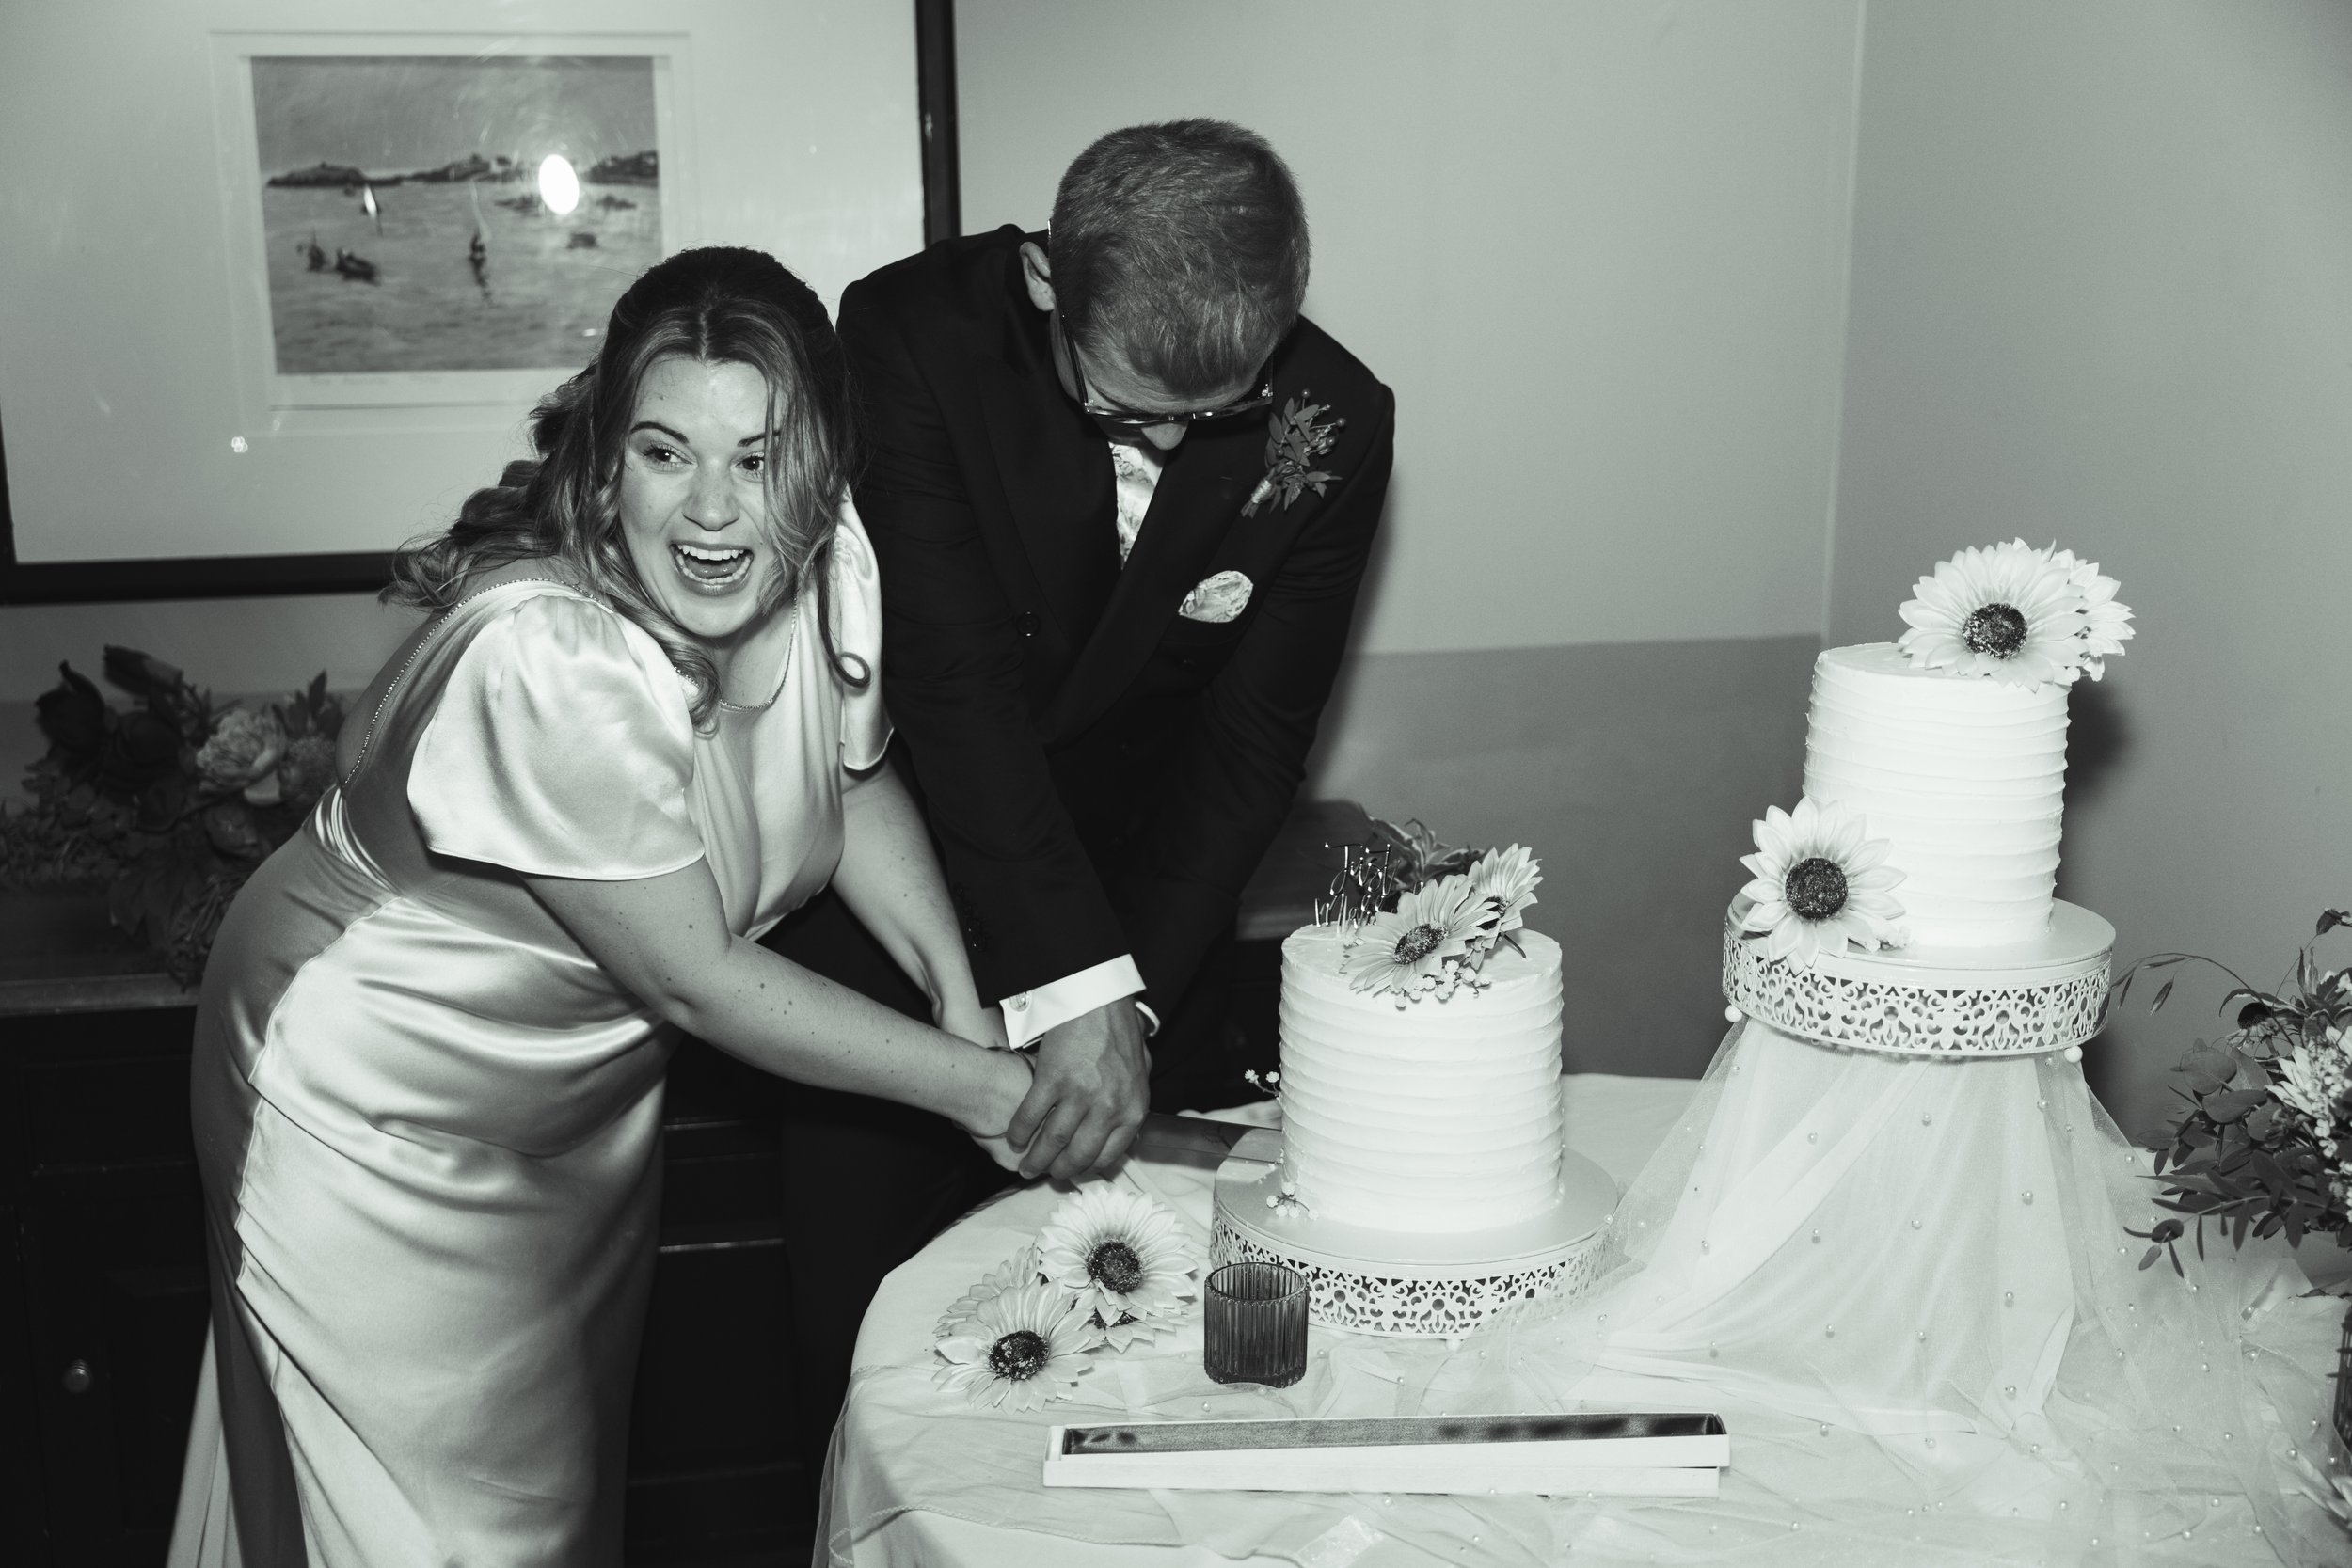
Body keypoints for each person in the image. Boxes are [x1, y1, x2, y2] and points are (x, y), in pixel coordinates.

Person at [166, 246, 1030, 1567]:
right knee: (434, 1526)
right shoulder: (553, 660)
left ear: (820, 464)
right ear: (603, 462)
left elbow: (843, 786)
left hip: (575, 1099)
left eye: (760, 455)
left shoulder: (819, 558)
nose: (716, 509)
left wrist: (965, 1005)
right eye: (666, 451)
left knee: (547, 1496)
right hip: (368, 1091)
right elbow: (696, 977)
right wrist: (986, 1095)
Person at [767, 119, 1394, 1491]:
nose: (1175, 441)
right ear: (1052, 280)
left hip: (1139, 925)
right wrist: (1071, 990)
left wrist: (1126, 1009)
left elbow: (1251, 745)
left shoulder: (1341, 418)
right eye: (1132, 410)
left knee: (1123, 1364)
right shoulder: (908, 334)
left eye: (1215, 414)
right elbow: (957, 687)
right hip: (897, 896)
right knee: (870, 1351)